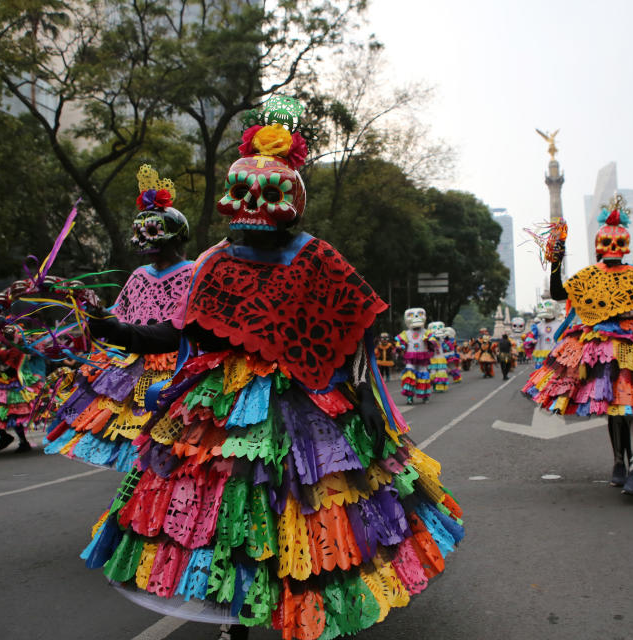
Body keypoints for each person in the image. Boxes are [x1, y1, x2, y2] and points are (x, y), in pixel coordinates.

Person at [81, 97, 464, 639]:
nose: (253, 205)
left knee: (302, 511)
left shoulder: (317, 257)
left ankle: (304, 605)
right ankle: (233, 615)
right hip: (225, 403)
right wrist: (113, 329)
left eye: (265, 193)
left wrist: (361, 394)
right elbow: (178, 333)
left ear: (292, 200)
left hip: (307, 400)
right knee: (228, 508)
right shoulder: (214, 262)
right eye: (244, 192)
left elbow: (358, 323)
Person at [523, 195, 633, 498]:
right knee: (616, 410)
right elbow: (557, 293)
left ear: (626, 245)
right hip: (601, 348)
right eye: (608, 243)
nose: (613, 249)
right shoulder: (588, 276)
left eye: (617, 243)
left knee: (631, 409)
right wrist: (555, 261)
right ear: (599, 245)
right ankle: (619, 462)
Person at [44, 165, 195, 471]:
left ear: (175, 236)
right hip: (134, 364)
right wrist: (91, 312)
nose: (144, 242)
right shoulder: (139, 275)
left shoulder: (194, 272)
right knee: (135, 438)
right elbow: (120, 313)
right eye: (140, 233)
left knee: (177, 438)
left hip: (177, 364)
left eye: (151, 232)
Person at [396, 308, 438, 404]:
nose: (416, 317)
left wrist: (430, 341)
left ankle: (424, 395)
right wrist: (400, 347)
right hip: (410, 358)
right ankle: (409, 397)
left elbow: (433, 341)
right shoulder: (406, 333)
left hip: (423, 358)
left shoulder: (426, 332)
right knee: (409, 376)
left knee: (423, 376)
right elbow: (400, 343)